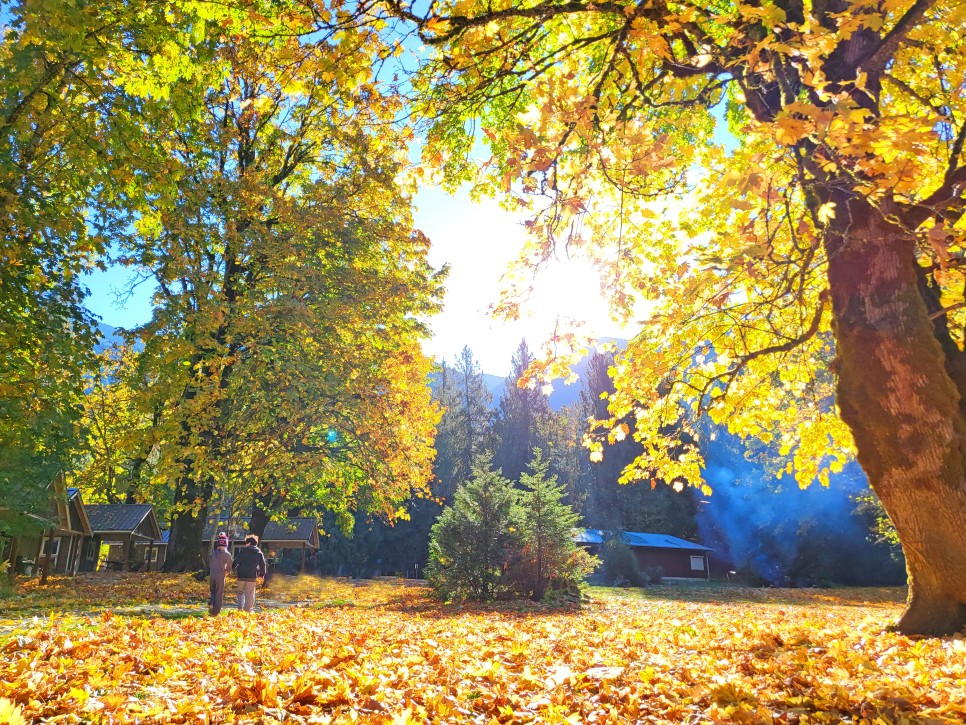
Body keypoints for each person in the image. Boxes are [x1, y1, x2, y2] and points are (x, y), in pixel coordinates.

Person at [233, 534, 267, 612]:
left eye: (246, 543)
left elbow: (236, 561)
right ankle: (248, 610)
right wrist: (262, 574)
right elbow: (262, 564)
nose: (245, 544)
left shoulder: (243, 551)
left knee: (240, 592)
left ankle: (240, 608)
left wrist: (232, 567)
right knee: (250, 594)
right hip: (251, 576)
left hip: (241, 575)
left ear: (248, 543)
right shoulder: (259, 552)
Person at [209, 532, 233, 615]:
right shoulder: (227, 555)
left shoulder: (213, 553)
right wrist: (227, 571)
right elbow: (229, 566)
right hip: (220, 575)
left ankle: (211, 602)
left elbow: (210, 562)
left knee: (212, 591)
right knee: (219, 593)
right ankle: (216, 612)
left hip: (212, 574)